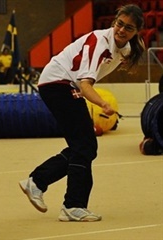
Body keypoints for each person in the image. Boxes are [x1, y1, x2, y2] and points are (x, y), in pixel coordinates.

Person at [19, 4, 145, 222]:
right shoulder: (100, 42)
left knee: (83, 146)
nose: (122, 30)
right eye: (119, 24)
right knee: (85, 146)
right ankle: (73, 205)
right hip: (58, 82)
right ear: (114, 21)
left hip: (63, 84)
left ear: (136, 32)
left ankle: (38, 182)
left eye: (129, 28)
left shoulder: (125, 47)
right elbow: (85, 85)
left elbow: (130, 50)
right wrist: (104, 104)